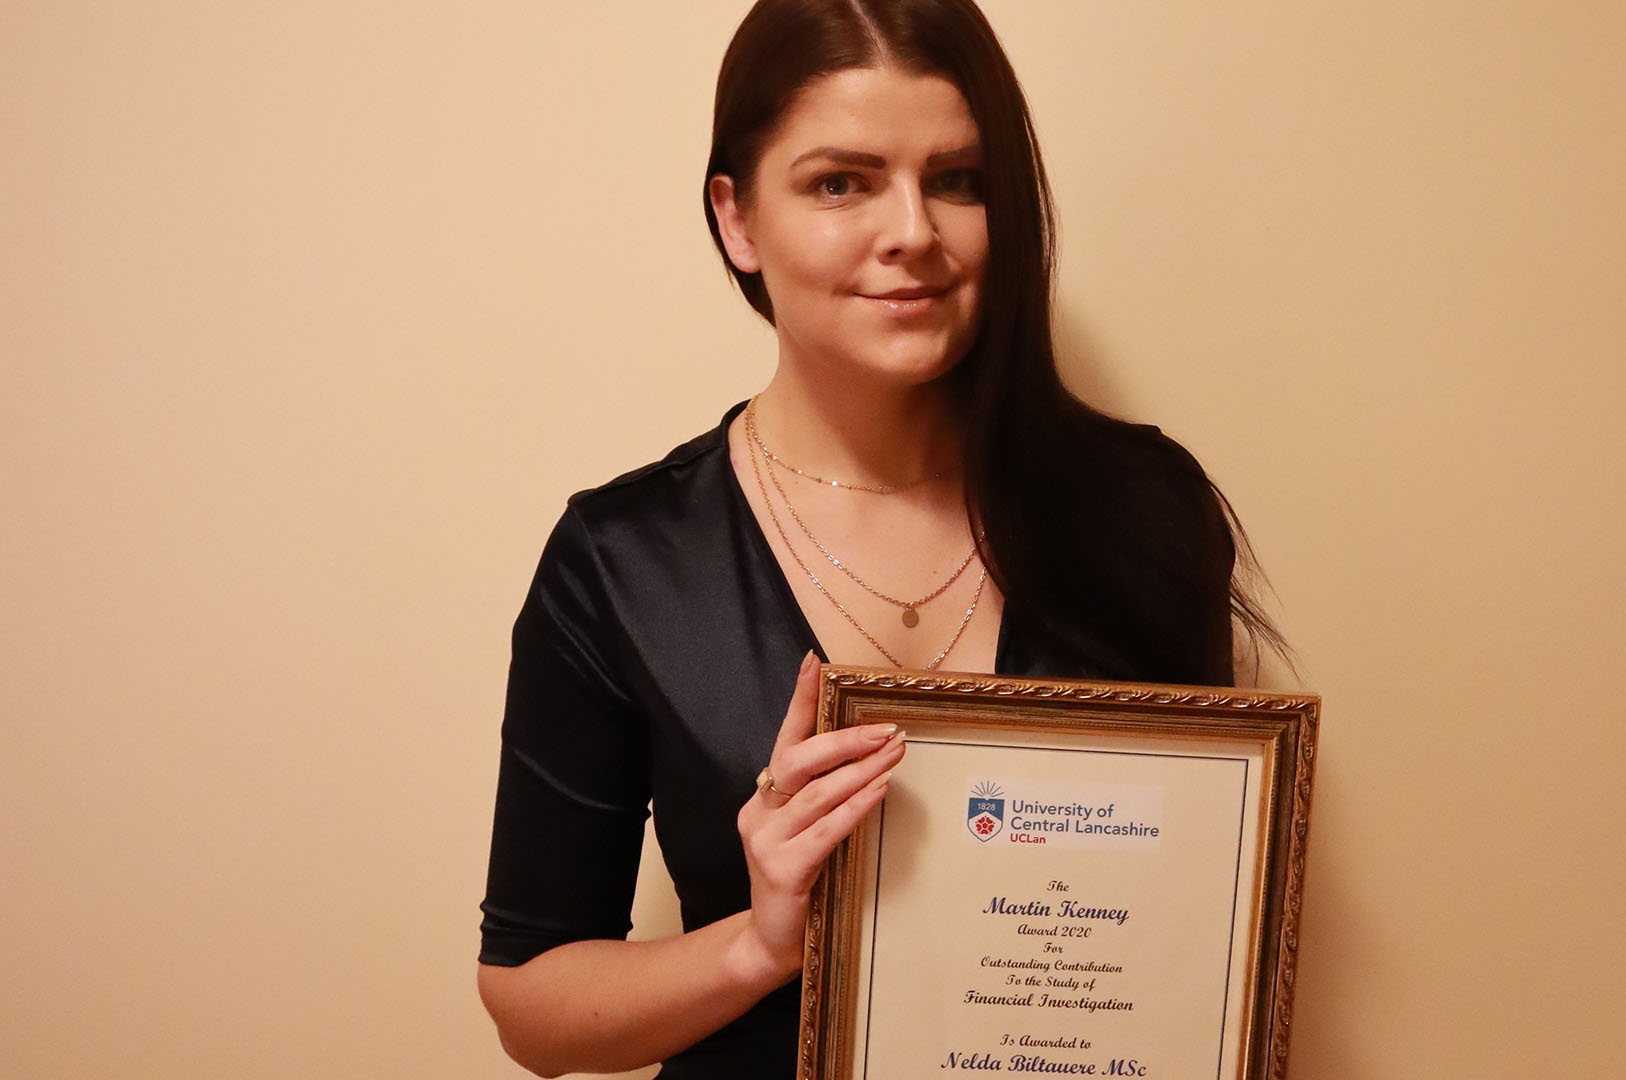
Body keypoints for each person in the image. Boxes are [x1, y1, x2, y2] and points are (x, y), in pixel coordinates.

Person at [476, 1, 1283, 1075]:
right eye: (841, 183)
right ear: (737, 218)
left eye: (958, 179)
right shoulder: (622, 562)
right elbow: (530, 1007)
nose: (913, 231)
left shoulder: (1143, 509)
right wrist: (760, 945)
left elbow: (1195, 914)